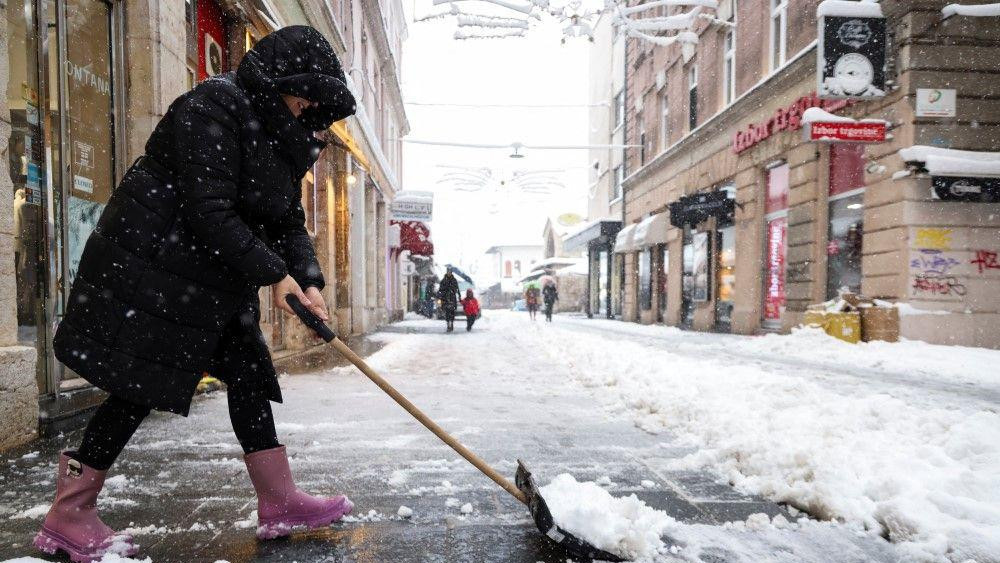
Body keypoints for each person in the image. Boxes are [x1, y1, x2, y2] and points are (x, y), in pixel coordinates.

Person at [34, 26, 357, 562]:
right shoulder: (213, 106)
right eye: (303, 91)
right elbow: (210, 212)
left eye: (315, 98)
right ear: (281, 79)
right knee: (140, 384)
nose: (307, 104)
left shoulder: (285, 136)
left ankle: (278, 501)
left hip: (214, 280)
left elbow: (286, 218)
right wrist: (274, 276)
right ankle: (70, 511)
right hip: (157, 271)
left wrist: (309, 280)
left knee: (250, 374)